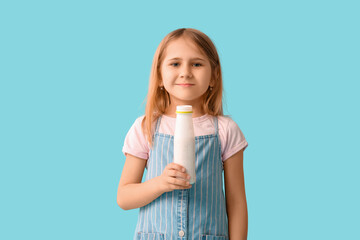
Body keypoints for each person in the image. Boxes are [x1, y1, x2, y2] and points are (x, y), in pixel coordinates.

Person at [117, 28, 248, 240]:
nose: (185, 72)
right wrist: (159, 184)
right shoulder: (146, 127)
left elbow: (236, 202)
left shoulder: (225, 130)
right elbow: (124, 197)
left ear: (214, 76)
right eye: (175, 63)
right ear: (160, 75)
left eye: (197, 64)